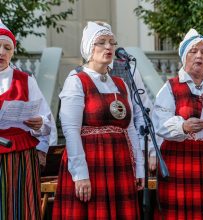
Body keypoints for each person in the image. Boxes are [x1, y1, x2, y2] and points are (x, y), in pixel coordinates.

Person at [52, 21, 145, 219]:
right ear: (89, 48)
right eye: (101, 42)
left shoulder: (121, 84)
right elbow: (70, 130)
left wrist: (139, 168)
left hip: (119, 163)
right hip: (91, 162)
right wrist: (80, 175)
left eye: (112, 42)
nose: (109, 47)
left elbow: (129, 129)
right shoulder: (77, 81)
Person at [152, 28, 203, 219]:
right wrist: (183, 126)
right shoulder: (171, 87)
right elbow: (159, 123)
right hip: (180, 162)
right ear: (184, 56)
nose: (199, 56)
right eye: (194, 51)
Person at [0, 19, 53, 219]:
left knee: (20, 207)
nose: (2, 52)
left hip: (20, 155)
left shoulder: (25, 80)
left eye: (7, 47)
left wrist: (39, 123)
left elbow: (46, 119)